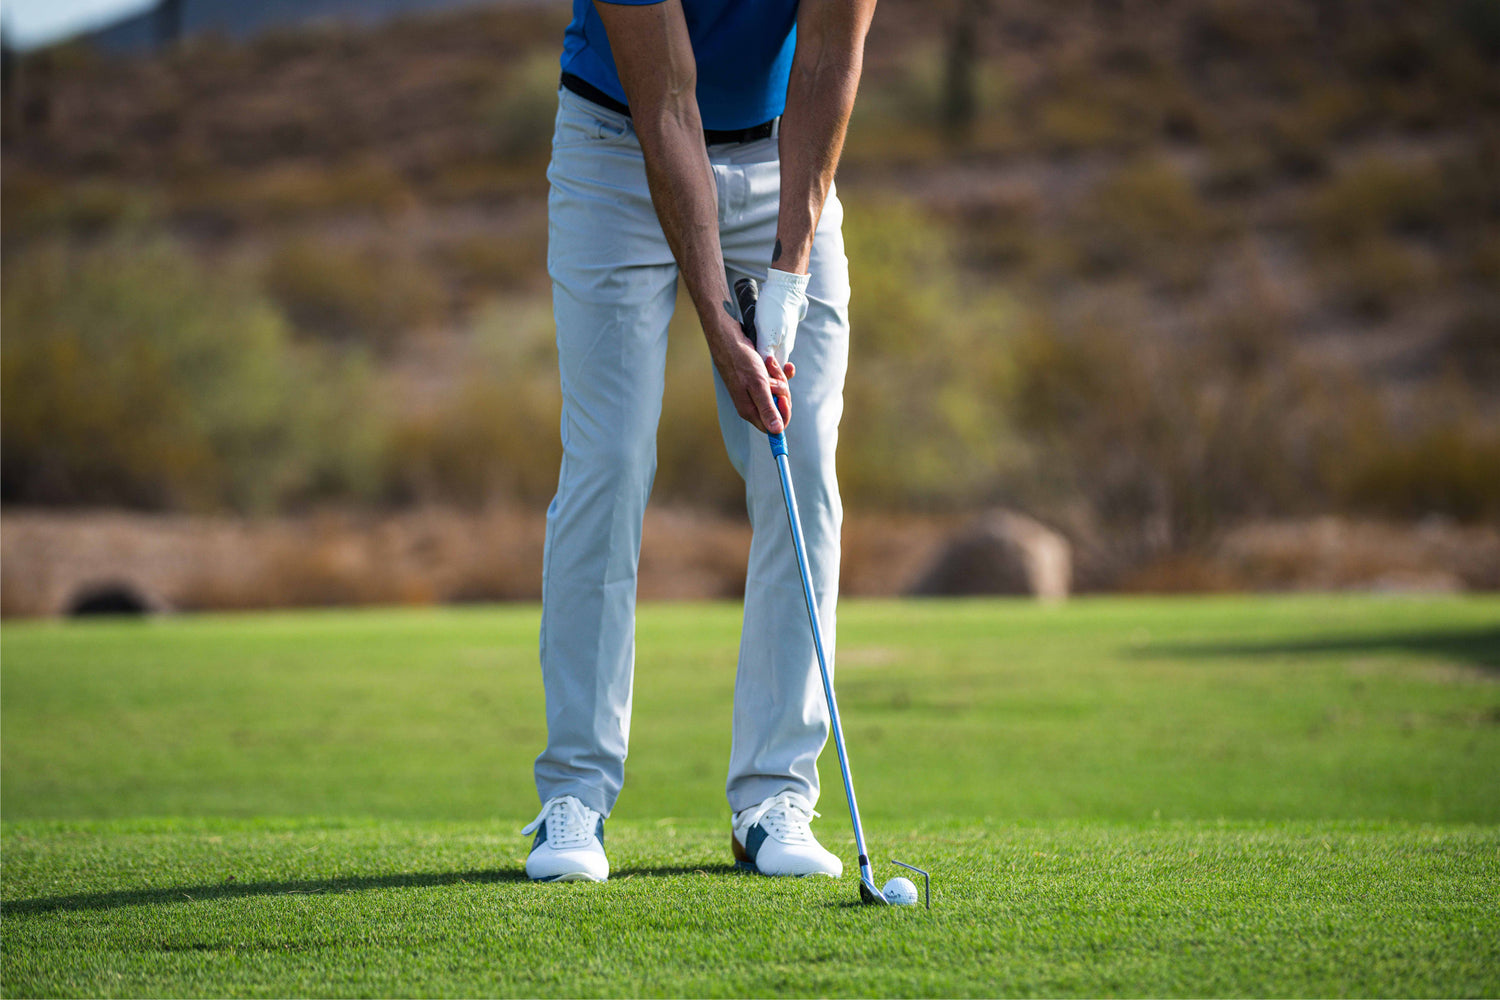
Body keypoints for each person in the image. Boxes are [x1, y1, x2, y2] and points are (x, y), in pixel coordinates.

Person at [522, 0, 877, 883]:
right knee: (609, 463)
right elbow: (668, 103)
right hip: (618, 149)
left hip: (780, 159)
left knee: (802, 469)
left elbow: (827, 66)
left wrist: (788, 276)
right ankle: (574, 796)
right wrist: (723, 323)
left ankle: (775, 797)